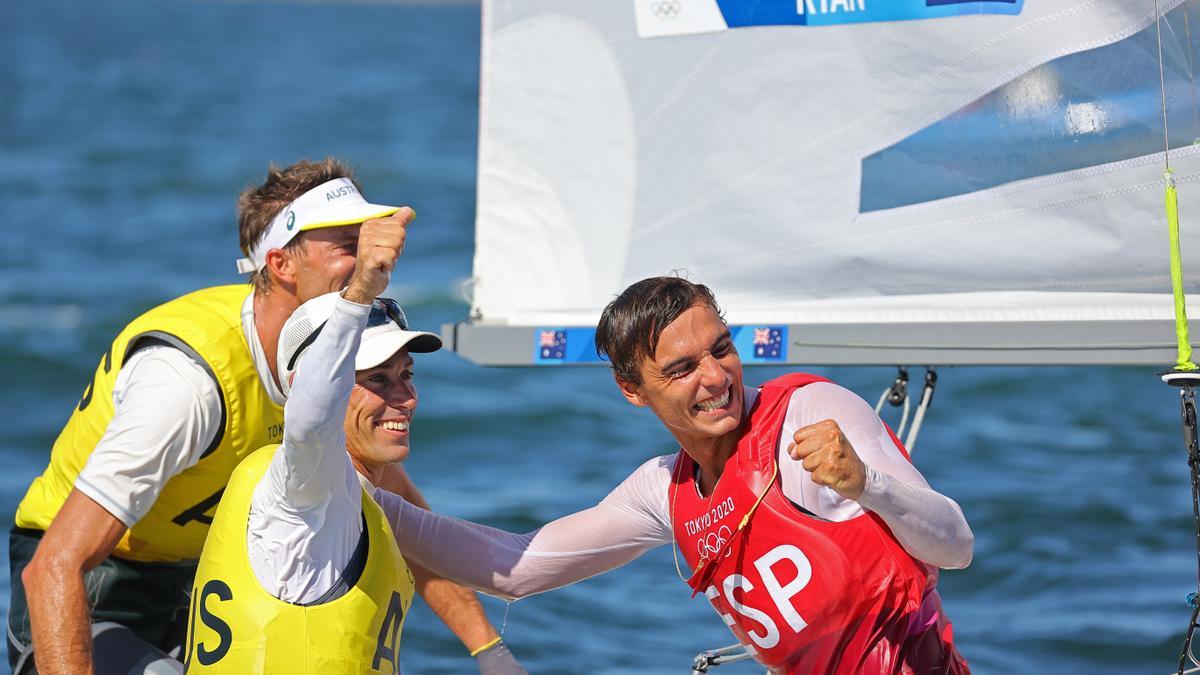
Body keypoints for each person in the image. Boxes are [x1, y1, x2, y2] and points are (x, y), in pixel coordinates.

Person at [9, 159, 514, 675]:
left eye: (367, 241)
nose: (370, 258)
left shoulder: (332, 368)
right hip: (95, 586)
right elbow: (54, 566)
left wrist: (491, 655)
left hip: (204, 575)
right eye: (347, 246)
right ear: (281, 264)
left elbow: (404, 524)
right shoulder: (188, 382)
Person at [375, 275, 975, 673]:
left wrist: (869, 485)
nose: (715, 378)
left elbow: (956, 546)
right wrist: (364, 497)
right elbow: (516, 568)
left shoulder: (809, 413)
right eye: (682, 368)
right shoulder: (666, 490)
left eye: (722, 349)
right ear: (633, 391)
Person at [184, 216, 523, 673]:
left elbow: (499, 562)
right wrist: (360, 288)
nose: (405, 398)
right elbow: (311, 415)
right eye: (376, 379)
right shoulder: (306, 487)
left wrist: (490, 652)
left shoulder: (355, 490)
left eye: (406, 375)